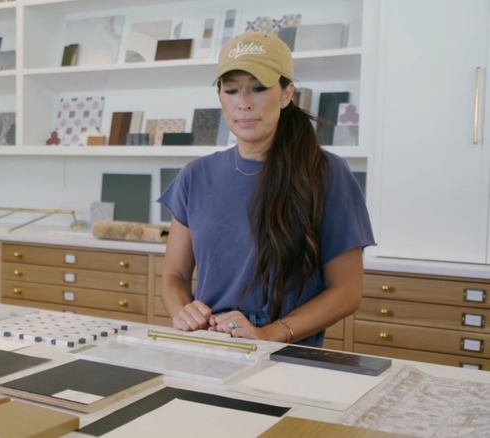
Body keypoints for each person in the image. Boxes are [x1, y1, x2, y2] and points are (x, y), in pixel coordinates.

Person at [157, 31, 375, 347]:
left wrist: (270, 334)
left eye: (259, 89)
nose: (243, 104)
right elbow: (174, 276)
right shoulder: (195, 176)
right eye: (231, 90)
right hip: (209, 349)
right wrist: (183, 312)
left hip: (289, 361)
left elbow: (346, 292)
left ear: (287, 93)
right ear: (220, 96)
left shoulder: (326, 173)